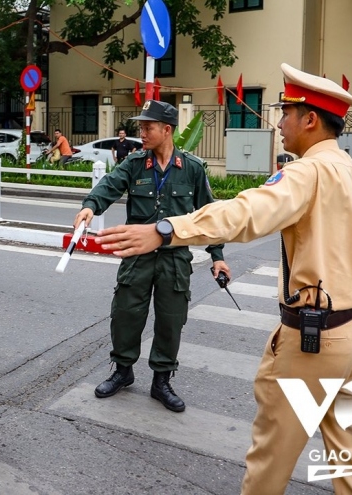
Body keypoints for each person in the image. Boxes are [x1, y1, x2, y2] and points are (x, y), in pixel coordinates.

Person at [95, 65, 352, 495]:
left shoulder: (307, 172)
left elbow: (245, 211)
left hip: (317, 341)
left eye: (286, 112)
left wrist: (165, 230)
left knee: (269, 464)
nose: (279, 122)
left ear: (309, 119)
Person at [73, 100, 230, 413]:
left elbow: (208, 215)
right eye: (141, 126)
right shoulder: (134, 164)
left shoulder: (193, 169)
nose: (141, 132)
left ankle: (162, 380)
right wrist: (90, 206)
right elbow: (109, 185)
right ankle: (123, 371)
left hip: (174, 258)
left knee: (171, 320)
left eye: (148, 127)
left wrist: (217, 256)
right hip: (137, 256)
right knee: (126, 313)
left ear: (167, 130)